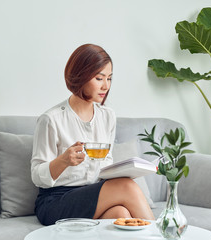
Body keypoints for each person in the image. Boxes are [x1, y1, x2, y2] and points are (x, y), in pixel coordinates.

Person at [31, 43, 154, 225]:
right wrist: (63, 161)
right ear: (81, 77)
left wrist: (122, 171)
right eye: (99, 78)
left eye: (110, 78)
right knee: (126, 187)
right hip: (56, 200)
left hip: (94, 194)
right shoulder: (51, 119)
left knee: (121, 213)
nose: (106, 86)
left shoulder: (107, 116)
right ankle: (164, 236)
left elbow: (105, 164)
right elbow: (36, 175)